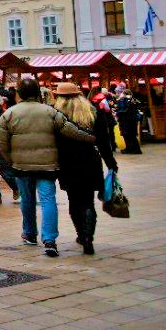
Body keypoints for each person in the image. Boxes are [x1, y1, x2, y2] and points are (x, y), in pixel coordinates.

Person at [0, 78, 97, 257]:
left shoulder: (9, 114)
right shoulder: (50, 112)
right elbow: (69, 129)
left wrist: (10, 159)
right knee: (48, 200)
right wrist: (89, 137)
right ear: (37, 92)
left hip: (21, 166)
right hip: (47, 166)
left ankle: (30, 234)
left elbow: (1, 141)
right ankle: (49, 239)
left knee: (27, 201)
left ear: (19, 93)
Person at [53, 83, 118, 255]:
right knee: (88, 201)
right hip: (90, 160)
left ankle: (81, 234)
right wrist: (111, 163)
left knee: (74, 200)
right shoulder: (92, 111)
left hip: (67, 163)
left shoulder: (56, 114)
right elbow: (104, 141)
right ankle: (89, 237)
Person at [115, 88, 142, 154]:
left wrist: (118, 113)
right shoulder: (133, 100)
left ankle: (134, 149)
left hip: (127, 121)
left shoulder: (127, 100)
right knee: (131, 135)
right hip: (131, 121)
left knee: (128, 135)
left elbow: (126, 110)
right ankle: (132, 149)